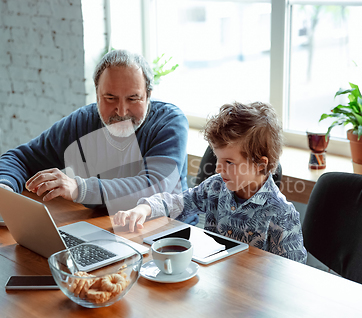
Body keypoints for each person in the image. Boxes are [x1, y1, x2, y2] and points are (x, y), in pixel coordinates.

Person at [0, 50, 189, 214]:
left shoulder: (170, 122)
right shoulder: (82, 121)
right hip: (103, 228)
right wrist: (4, 187)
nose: (122, 110)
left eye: (133, 98)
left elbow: (153, 187)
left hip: (168, 235)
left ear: (148, 95)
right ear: (97, 95)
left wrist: (79, 189)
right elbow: (20, 158)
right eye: (110, 98)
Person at [113, 102, 307, 263]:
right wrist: (144, 209)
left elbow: (293, 273)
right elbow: (178, 203)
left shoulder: (282, 215)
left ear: (259, 164)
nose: (218, 169)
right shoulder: (215, 187)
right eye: (218, 159)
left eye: (229, 162)